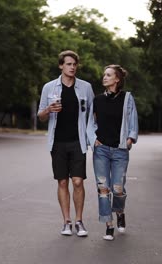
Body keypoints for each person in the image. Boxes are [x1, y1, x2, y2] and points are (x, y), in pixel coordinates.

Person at [37, 50, 94, 237]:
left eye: (74, 64)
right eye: (68, 64)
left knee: (78, 181)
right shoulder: (49, 88)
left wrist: (93, 138)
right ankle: (66, 222)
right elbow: (41, 116)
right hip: (58, 142)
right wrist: (48, 109)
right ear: (61, 65)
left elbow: (93, 115)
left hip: (78, 141)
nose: (72, 67)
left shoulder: (85, 87)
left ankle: (79, 221)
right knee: (62, 182)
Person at [87, 64, 138, 241]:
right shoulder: (98, 100)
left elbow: (133, 121)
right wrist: (93, 139)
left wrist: (131, 138)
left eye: (108, 75)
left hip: (120, 151)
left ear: (117, 79)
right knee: (103, 188)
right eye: (104, 74)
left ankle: (120, 212)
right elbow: (91, 123)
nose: (104, 77)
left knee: (117, 188)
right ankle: (108, 225)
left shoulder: (127, 98)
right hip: (101, 150)